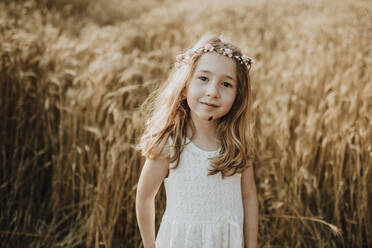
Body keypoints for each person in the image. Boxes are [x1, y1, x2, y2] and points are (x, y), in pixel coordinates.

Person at [136, 34, 258, 248]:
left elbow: (248, 198)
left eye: (226, 84)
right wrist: (149, 244)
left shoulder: (236, 144)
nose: (212, 92)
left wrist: (251, 245)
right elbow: (144, 196)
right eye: (203, 78)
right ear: (185, 86)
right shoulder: (170, 144)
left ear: (238, 95)